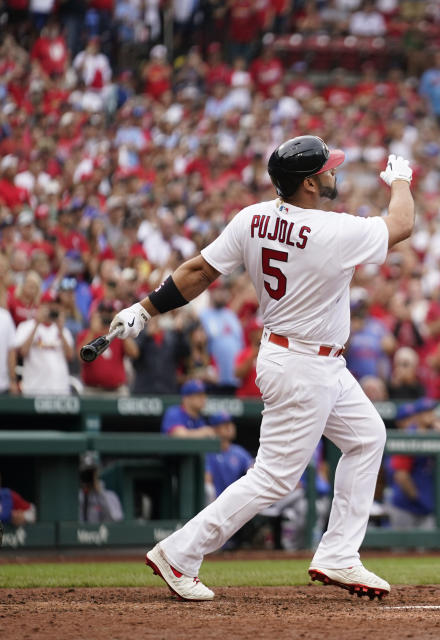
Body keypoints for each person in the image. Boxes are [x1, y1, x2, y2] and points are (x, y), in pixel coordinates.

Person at [114, 136, 414, 601]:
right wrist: (401, 180)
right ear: (310, 183)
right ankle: (180, 552)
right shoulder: (332, 231)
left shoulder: (253, 217)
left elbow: (199, 271)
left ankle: (338, 554)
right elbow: (402, 223)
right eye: (328, 169)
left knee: (367, 437)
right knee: (273, 476)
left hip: (307, 360)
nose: (335, 173)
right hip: (302, 365)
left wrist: (145, 309)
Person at [14, 301, 74, 395]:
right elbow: (22, 353)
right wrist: (37, 324)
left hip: (60, 388)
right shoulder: (26, 326)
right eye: (47, 307)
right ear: (39, 308)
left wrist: (60, 329)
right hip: (34, 388)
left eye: (53, 307)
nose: (50, 310)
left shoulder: (64, 330)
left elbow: (70, 356)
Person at [204, 413, 253, 500]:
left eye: (230, 424)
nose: (229, 427)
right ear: (215, 429)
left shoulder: (239, 451)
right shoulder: (209, 452)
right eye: (225, 425)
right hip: (214, 502)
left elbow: (253, 471)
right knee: (208, 490)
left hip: (235, 501)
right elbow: (207, 482)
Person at [78, 452, 123, 523]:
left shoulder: (110, 496)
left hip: (103, 533)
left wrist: (100, 493)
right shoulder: (77, 497)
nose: (88, 476)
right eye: (86, 473)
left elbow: (116, 520)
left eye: (91, 473)